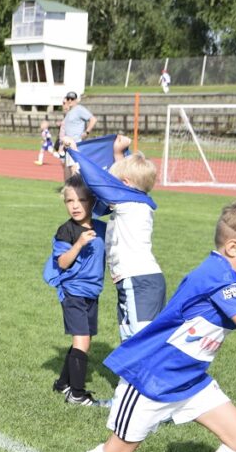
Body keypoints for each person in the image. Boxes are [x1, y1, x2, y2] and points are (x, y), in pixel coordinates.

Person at [36, 199, 236, 452]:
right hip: (151, 379)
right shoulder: (219, 279)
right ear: (232, 247)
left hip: (190, 380)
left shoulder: (228, 277)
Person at [69, 137, 165, 342]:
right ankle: (126, 376)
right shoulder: (134, 200)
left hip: (139, 281)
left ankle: (155, 374)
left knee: (140, 340)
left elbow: (98, 181)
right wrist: (118, 154)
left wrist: (74, 152)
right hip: (134, 280)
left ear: (125, 185)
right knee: (129, 337)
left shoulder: (131, 203)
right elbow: (117, 184)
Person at [43, 176, 107, 406]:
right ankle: (77, 394)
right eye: (70, 201)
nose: (75, 205)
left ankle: (62, 384)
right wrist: (79, 244)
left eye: (81, 200)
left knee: (84, 338)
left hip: (92, 292)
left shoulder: (101, 228)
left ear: (92, 202)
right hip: (73, 292)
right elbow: (62, 263)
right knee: (82, 341)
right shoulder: (66, 231)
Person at [60, 92, 96, 179]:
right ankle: (68, 188)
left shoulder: (79, 109)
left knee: (74, 168)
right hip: (68, 145)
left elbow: (93, 119)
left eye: (72, 99)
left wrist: (87, 132)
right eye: (68, 98)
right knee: (68, 168)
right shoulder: (69, 111)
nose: (69, 100)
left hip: (76, 144)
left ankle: (76, 189)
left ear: (76, 100)